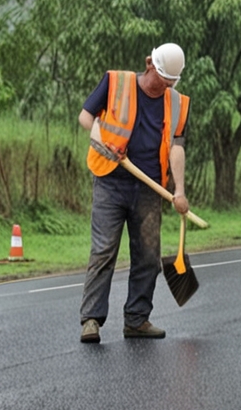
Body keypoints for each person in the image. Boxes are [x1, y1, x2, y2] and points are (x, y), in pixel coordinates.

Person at [77, 43, 192, 343]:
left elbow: (177, 147)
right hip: (110, 181)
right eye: (161, 80)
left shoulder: (177, 102)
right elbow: (86, 117)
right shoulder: (116, 81)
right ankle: (91, 320)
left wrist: (179, 191)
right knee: (103, 250)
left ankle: (137, 320)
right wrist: (101, 141)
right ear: (149, 65)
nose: (163, 88)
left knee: (148, 257)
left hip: (150, 189)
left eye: (169, 83)